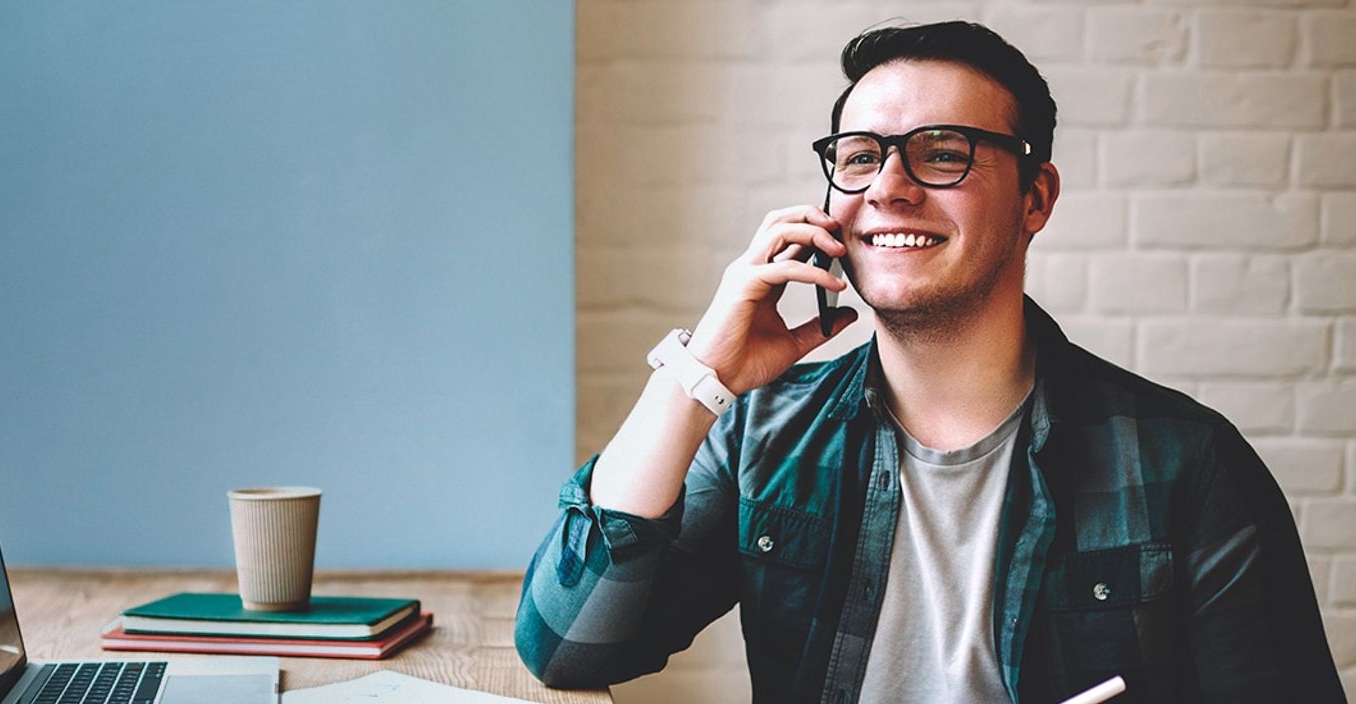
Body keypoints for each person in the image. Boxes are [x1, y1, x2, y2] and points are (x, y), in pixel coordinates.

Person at [515, 20, 1343, 704]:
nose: (889, 186)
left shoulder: (1186, 465)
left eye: (942, 151)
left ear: (1036, 198)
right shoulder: (768, 435)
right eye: (860, 154)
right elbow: (568, 645)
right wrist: (701, 377)